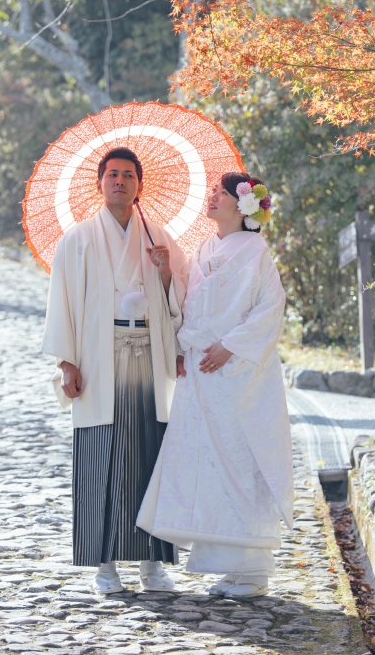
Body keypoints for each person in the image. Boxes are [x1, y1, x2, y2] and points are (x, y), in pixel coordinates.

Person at [138, 171, 293, 599]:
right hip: (203, 369)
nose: (212, 198)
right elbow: (190, 304)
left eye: (221, 193)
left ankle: (253, 571)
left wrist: (231, 346)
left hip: (238, 373)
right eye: (213, 192)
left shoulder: (255, 250)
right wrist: (182, 339)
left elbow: (269, 307)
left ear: (243, 206)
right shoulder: (206, 247)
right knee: (208, 464)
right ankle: (230, 565)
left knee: (241, 459)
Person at [41, 146, 188, 595]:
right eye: (112, 174)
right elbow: (61, 301)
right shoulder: (79, 239)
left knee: (149, 454)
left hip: (146, 355)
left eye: (128, 174)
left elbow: (180, 298)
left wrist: (165, 274)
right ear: (100, 183)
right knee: (100, 457)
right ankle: (104, 565)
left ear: (139, 184)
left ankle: (152, 564)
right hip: (99, 359)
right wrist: (68, 362)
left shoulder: (158, 236)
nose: (120, 181)